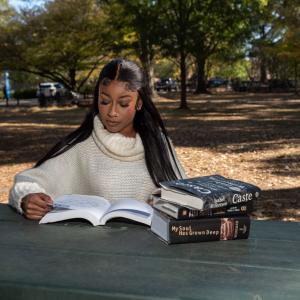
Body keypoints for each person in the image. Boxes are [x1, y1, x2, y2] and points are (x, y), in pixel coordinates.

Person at [9, 58, 186, 220]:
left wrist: (166, 202)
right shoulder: (82, 145)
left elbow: (185, 194)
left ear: (139, 103)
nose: (112, 112)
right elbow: (27, 181)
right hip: (91, 249)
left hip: (152, 250)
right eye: (104, 101)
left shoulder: (159, 143)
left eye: (124, 103)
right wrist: (27, 198)